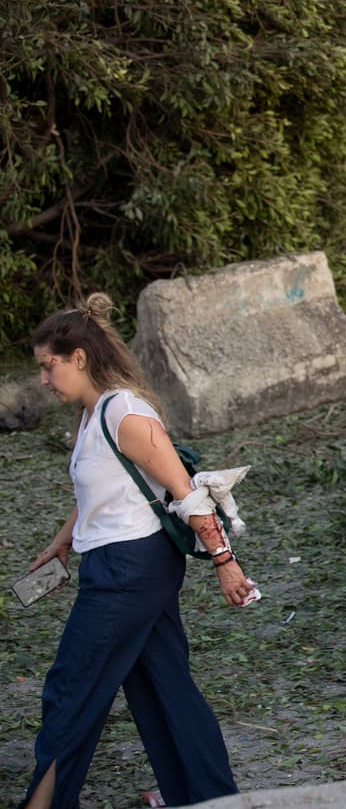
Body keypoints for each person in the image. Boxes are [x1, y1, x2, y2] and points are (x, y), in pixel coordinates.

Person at [22, 293, 253, 809]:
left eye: (48, 366)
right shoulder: (91, 414)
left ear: (78, 357)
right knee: (162, 686)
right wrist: (63, 541)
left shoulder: (124, 411)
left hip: (129, 570)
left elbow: (184, 491)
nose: (43, 379)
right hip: (116, 563)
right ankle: (211, 799)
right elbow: (103, 490)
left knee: (70, 688)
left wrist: (224, 562)